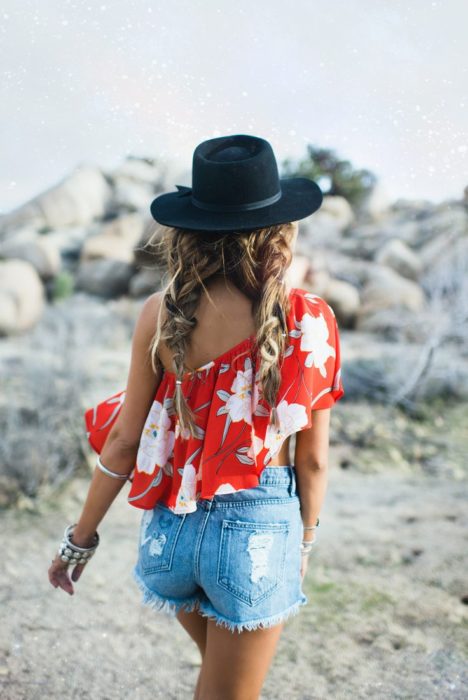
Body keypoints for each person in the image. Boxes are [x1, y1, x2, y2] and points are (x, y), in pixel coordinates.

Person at [48, 134, 345, 700]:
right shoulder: (309, 318)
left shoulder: (162, 312)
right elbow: (313, 460)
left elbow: (121, 443)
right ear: (279, 227)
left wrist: (78, 543)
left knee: (225, 682)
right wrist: (302, 545)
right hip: (256, 532)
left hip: (170, 534)